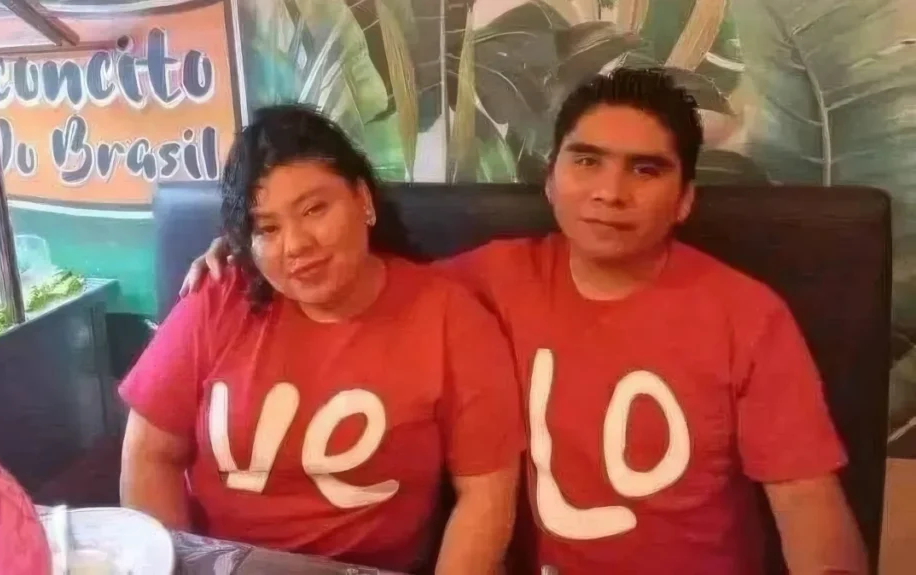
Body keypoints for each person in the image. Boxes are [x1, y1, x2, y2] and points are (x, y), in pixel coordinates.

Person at [181, 69, 869, 574]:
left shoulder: (746, 314)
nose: (609, 192)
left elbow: (808, 503)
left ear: (685, 198)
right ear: (551, 177)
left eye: (645, 170)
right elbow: (357, 275)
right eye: (587, 161)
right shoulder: (484, 281)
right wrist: (243, 245)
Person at [120, 105, 523, 574]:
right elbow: (150, 454)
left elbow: (485, 495)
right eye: (268, 228)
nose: (295, 245)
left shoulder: (450, 317)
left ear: (363, 200)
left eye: (314, 209)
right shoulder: (219, 295)